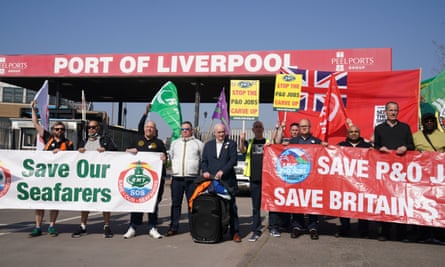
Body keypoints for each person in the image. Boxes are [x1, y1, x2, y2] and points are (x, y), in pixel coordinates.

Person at [29, 100, 74, 237]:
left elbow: (73, 159)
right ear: (53, 130)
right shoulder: (48, 137)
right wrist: (33, 109)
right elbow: (36, 124)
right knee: (40, 201)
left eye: (61, 129)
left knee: (54, 202)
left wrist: (61, 155)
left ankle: (52, 226)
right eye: (57, 129)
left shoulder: (69, 143)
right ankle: (37, 227)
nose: (59, 131)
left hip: (59, 177)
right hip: (44, 175)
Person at [373, 101, 414, 242]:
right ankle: (384, 232)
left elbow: (411, 145)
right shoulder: (379, 128)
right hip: (384, 173)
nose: (393, 112)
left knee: (400, 202)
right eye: (390, 110)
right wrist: (380, 149)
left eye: (395, 110)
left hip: (401, 172)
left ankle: (401, 233)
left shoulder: (405, 128)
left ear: (398, 112)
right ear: (385, 112)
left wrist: (405, 147)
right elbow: (375, 146)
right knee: (385, 202)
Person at [72, 119, 118, 238]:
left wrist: (106, 150)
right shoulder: (84, 141)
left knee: (104, 202)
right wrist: (79, 151)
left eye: (93, 127)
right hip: (86, 178)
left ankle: (106, 225)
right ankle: (83, 225)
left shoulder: (105, 140)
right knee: (85, 202)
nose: (91, 129)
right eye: (89, 127)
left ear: (98, 128)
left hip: (102, 177)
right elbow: (75, 157)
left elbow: (116, 153)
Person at [123, 119, 167, 239]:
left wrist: (164, 157)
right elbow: (125, 153)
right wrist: (129, 151)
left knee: (153, 204)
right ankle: (133, 227)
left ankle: (153, 227)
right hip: (138, 180)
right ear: (144, 129)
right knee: (136, 203)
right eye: (147, 127)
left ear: (155, 130)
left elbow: (164, 157)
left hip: (153, 181)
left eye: (151, 127)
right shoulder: (137, 141)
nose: (149, 129)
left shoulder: (159, 143)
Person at [201, 123, 241, 242]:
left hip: (227, 181)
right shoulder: (208, 145)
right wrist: (205, 171)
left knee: (231, 208)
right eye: (219, 132)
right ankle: (216, 231)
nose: (221, 134)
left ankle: (235, 233)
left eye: (223, 132)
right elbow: (204, 161)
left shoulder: (232, 144)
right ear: (214, 133)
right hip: (212, 181)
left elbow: (233, 160)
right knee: (215, 208)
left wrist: (223, 171)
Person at [166, 121, 203, 236]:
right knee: (175, 204)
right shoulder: (175, 143)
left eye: (187, 129)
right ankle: (173, 227)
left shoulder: (198, 144)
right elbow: (171, 158)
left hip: (192, 179)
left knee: (192, 205)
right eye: (182, 129)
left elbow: (202, 160)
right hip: (177, 178)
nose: (185, 131)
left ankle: (194, 228)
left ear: (191, 130)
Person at [413, 112, 445, 244]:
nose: (429, 123)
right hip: (422, 178)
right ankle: (423, 234)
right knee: (423, 205)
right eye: (427, 121)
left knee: (439, 206)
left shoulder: (443, 136)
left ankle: (439, 235)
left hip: (440, 178)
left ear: (435, 122)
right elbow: (410, 153)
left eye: (432, 121)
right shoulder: (416, 137)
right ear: (423, 123)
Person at [336, 125, 373, 238]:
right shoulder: (341, 145)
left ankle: (363, 231)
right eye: (351, 132)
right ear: (347, 134)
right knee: (345, 206)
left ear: (359, 133)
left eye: (356, 131)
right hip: (346, 182)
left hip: (363, 182)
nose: (353, 133)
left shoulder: (367, 146)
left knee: (363, 205)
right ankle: (345, 229)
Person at [288, 118, 321, 240]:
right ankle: (297, 226)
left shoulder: (317, 142)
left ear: (310, 127)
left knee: (312, 201)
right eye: (302, 126)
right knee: (297, 201)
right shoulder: (293, 141)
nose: (304, 128)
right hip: (298, 178)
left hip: (312, 178)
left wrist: (325, 147)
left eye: (306, 126)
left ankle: (313, 227)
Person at [268, 121, 299, 238]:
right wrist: (279, 129)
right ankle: (277, 225)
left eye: (297, 130)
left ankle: (292, 224)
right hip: (283, 177)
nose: (295, 132)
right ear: (290, 132)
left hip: (297, 177)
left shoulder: (301, 142)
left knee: (293, 202)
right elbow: (275, 142)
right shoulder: (286, 141)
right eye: (293, 130)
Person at [239, 121, 268, 242]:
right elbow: (242, 150)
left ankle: (273, 227)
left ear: (263, 128)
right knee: (256, 207)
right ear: (252, 130)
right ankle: (256, 230)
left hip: (267, 179)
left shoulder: (268, 142)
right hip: (254, 178)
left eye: (260, 127)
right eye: (256, 127)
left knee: (270, 205)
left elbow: (278, 142)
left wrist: (278, 128)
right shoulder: (249, 142)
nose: (258, 129)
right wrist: (241, 140)